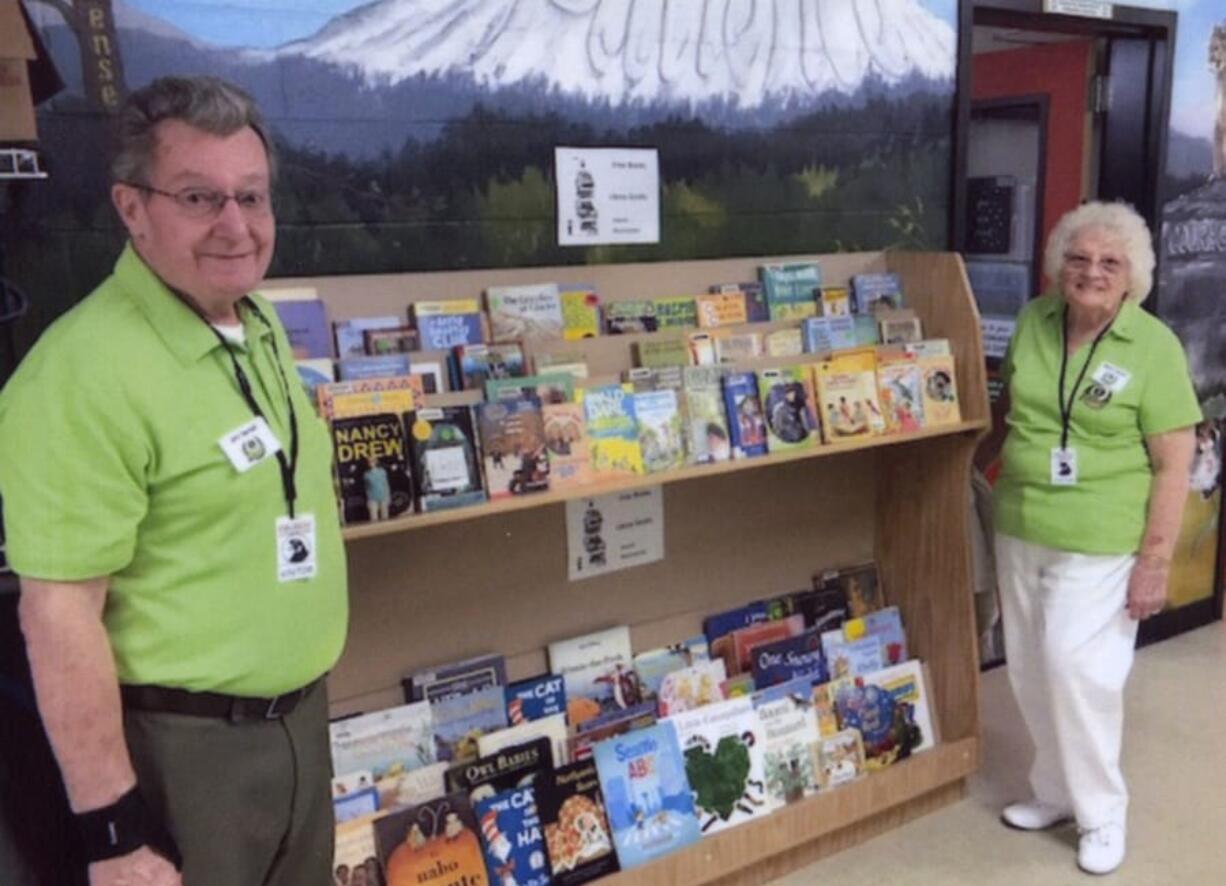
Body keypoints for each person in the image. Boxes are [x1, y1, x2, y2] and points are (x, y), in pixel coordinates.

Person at [0, 75, 348, 885]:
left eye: (252, 198)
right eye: (200, 198)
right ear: (131, 208)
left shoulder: (250, 324)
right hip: (182, 759)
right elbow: (57, 616)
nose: (236, 226)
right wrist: (115, 831)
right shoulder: (80, 373)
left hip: (300, 729)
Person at [992, 201, 1200, 875]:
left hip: (1105, 534)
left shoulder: (1154, 347)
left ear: (1133, 275)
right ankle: (1053, 791)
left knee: (1077, 668)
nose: (1091, 272)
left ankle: (1102, 812)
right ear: (1059, 265)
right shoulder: (1033, 321)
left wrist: (1156, 562)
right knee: (1028, 663)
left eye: (1110, 262)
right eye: (1078, 259)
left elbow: (1175, 462)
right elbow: (1008, 412)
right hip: (1022, 520)